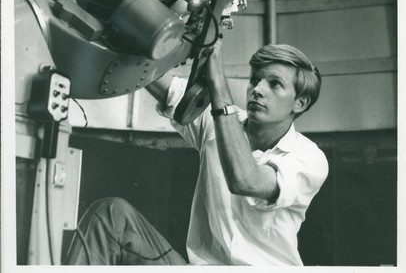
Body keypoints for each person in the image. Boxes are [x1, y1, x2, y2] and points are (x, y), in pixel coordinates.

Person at [65, 41, 328, 266]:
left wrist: (217, 83)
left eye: (274, 84)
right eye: (256, 80)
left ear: (300, 102)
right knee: (111, 215)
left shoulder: (309, 159)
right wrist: (139, 40)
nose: (258, 89)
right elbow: (154, 79)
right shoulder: (218, 124)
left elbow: (246, 181)